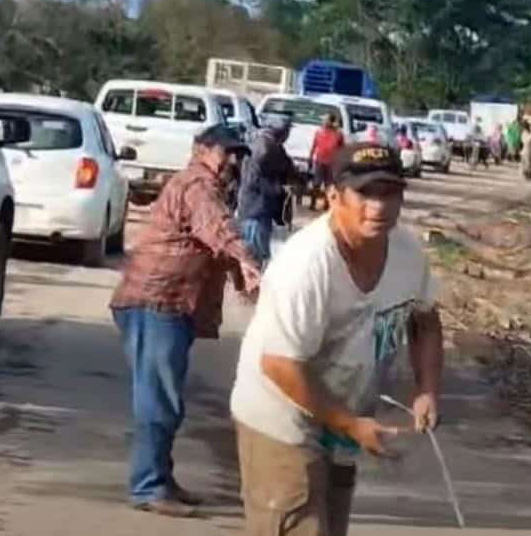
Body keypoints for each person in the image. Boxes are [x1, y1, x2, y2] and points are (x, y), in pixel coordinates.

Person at [230, 142, 444, 535]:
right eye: (364, 193)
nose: (378, 207)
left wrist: (427, 389)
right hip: (283, 418)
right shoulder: (306, 265)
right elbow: (279, 364)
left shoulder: (408, 252)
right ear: (333, 196)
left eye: (389, 193)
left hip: (343, 418)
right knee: (299, 522)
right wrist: (351, 424)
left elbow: (425, 319)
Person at [110, 125, 261, 518]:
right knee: (158, 400)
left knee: (164, 396)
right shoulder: (197, 184)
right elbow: (217, 230)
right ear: (199, 150)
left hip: (170, 305)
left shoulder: (206, 185)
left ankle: (161, 478)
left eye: (236, 154)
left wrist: (241, 275)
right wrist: (247, 261)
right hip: (155, 301)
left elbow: (214, 244)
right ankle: (148, 486)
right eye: (224, 152)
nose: (231, 161)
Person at [236, 114, 295, 268]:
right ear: (280, 131)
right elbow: (253, 181)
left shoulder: (271, 146)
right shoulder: (264, 148)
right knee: (252, 257)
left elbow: (287, 168)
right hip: (255, 210)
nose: (288, 135)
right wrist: (279, 189)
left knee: (257, 257)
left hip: (261, 209)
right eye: (287, 131)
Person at [309, 113, 345, 211]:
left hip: (332, 163)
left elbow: (342, 149)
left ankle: (327, 204)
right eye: (323, 120)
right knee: (316, 183)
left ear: (331, 122)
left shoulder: (338, 134)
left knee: (329, 185)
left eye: (326, 120)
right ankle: (312, 203)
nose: (324, 122)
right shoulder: (319, 132)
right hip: (320, 161)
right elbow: (314, 145)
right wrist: (310, 158)